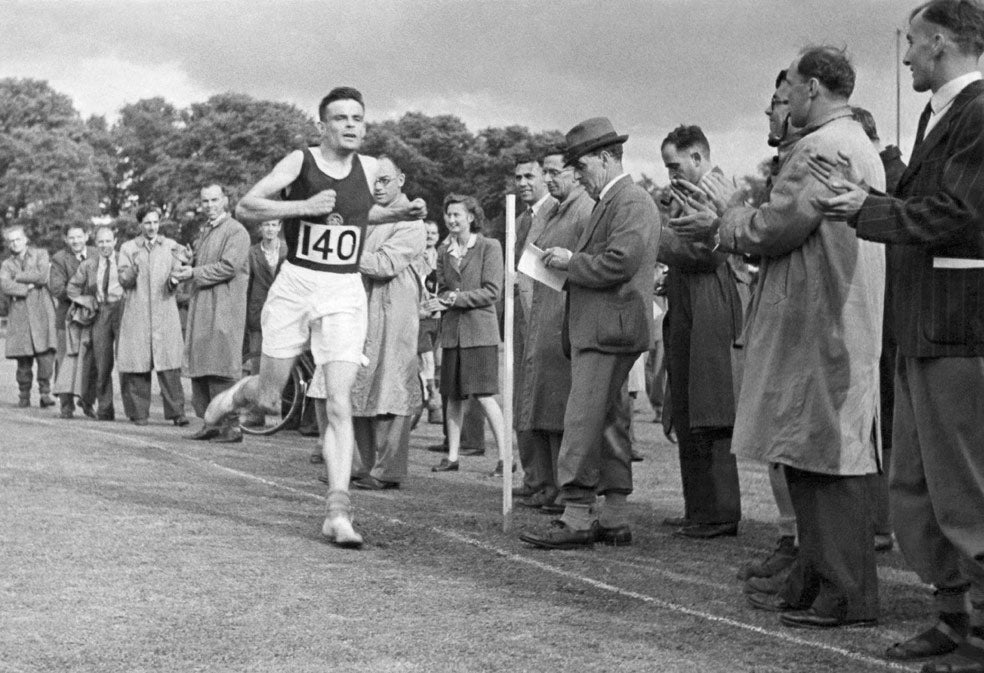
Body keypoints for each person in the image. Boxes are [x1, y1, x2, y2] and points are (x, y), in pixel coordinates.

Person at [671, 46, 885, 629]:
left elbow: (773, 228)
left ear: (812, 88)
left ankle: (844, 590)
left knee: (827, 460)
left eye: (788, 88)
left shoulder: (821, 146)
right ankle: (815, 578)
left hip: (823, 324)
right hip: (829, 319)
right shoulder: (851, 143)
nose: (782, 99)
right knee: (809, 455)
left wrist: (728, 215)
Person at [812, 1, 984, 667]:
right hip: (920, 327)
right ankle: (949, 615)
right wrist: (872, 198)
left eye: (912, 42)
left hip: (959, 328)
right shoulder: (938, 111)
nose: (906, 53)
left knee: (965, 488)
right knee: (915, 485)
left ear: (940, 41)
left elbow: (962, 213)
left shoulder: (976, 111)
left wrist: (872, 208)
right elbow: (926, 204)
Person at [202, 86, 426, 548]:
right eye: (341, 118)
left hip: (343, 289)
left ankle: (337, 510)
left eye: (358, 118)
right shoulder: (299, 161)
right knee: (269, 399)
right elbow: (246, 205)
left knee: (339, 400)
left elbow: (355, 218)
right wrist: (302, 206)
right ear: (322, 125)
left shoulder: (369, 168)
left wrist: (397, 213)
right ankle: (238, 394)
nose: (351, 125)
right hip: (296, 285)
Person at [519, 117, 660, 550]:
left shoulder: (629, 201)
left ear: (604, 158)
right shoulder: (615, 201)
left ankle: (577, 515)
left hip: (606, 329)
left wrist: (568, 262)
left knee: (581, 421)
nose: (577, 176)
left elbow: (620, 261)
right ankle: (614, 517)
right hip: (609, 327)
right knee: (611, 422)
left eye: (580, 167)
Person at [309, 156, 425, 489]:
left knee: (392, 391)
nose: (378, 187)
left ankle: (388, 471)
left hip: (393, 315)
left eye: (385, 180)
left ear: (401, 179)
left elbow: (384, 264)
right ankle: (358, 464)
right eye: (373, 180)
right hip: (359, 310)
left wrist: (343, 249)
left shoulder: (411, 221)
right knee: (355, 388)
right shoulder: (366, 215)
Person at [657, 125, 743, 540]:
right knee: (689, 406)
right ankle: (699, 509)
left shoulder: (720, 193)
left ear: (697, 157)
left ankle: (722, 511)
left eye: (675, 165)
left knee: (713, 407)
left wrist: (654, 240)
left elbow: (708, 254)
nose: (671, 175)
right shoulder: (686, 195)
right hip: (686, 299)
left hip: (710, 302)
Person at [735, 69, 801, 588]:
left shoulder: (812, 157)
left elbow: (771, 231)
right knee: (777, 442)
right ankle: (792, 537)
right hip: (775, 311)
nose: (770, 113)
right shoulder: (787, 160)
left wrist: (729, 214)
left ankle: (801, 543)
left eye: (778, 101)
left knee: (791, 440)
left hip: (801, 322)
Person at [514, 148, 593, 511]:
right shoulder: (553, 210)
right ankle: (545, 483)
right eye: (544, 172)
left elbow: (586, 261)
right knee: (541, 402)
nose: (547, 179)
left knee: (560, 404)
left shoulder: (585, 209)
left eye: (553, 172)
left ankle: (567, 487)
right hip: (542, 315)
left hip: (564, 315)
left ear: (575, 174)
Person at [851, 105, 904, 555]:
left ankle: (882, 521)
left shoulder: (891, 178)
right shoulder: (885, 174)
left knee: (882, 418)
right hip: (879, 312)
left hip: (890, 319)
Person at [426, 194, 507, 476]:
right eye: (448, 215)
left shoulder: (490, 247)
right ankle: (452, 457)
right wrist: (446, 298)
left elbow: (492, 291)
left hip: (480, 334)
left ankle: (505, 458)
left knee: (484, 397)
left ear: (471, 218)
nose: (451, 220)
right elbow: (443, 288)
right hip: (453, 334)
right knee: (453, 397)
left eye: (457, 215)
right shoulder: (442, 251)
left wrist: (452, 300)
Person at [174, 185, 250, 442]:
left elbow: (228, 267)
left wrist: (193, 273)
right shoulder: (205, 231)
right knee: (202, 366)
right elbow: (203, 263)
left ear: (225, 201)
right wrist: (189, 259)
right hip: (203, 307)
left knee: (221, 367)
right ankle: (210, 423)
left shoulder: (236, 231)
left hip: (224, 308)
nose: (209, 205)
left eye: (214, 200)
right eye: (205, 201)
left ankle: (231, 427)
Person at [116, 205, 189, 427]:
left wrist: (175, 279)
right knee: (138, 364)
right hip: (137, 313)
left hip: (164, 312)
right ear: (140, 225)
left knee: (169, 365)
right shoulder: (128, 248)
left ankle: (177, 413)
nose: (152, 227)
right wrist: (133, 270)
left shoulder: (170, 246)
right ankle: (139, 413)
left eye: (155, 222)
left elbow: (179, 268)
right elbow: (123, 279)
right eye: (147, 223)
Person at [512, 155, 559, 498]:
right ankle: (534, 478)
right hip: (521, 320)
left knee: (545, 399)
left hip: (548, 317)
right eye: (518, 177)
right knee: (521, 398)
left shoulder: (557, 212)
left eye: (530, 176)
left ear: (545, 177)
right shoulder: (519, 219)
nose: (524, 182)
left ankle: (550, 481)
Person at [66, 225, 125, 421]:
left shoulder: (125, 260)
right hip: (101, 312)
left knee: (126, 361)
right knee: (102, 363)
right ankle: (105, 410)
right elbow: (71, 288)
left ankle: (135, 411)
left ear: (115, 242)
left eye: (108, 241)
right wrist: (86, 300)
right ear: (95, 243)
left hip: (123, 311)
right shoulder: (89, 265)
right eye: (101, 241)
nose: (105, 245)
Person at [0, 225, 57, 408]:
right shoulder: (6, 264)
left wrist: (18, 276)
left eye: (18, 239)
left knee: (45, 356)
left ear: (25, 239)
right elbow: (5, 285)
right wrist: (27, 288)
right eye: (11, 241)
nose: (15, 243)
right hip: (20, 313)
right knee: (23, 359)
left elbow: (42, 276)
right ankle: (24, 394)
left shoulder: (40, 254)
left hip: (41, 310)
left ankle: (45, 393)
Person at [48, 223, 97, 418]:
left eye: (79, 236)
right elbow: (57, 289)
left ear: (87, 235)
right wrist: (83, 296)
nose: (76, 241)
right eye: (71, 237)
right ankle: (66, 405)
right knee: (65, 360)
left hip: (93, 317)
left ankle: (87, 402)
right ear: (66, 239)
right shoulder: (60, 258)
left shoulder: (96, 253)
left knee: (91, 362)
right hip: (67, 318)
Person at [241, 219, 286, 429]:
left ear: (279, 227)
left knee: (280, 364)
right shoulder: (252, 252)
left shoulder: (289, 248)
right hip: (258, 312)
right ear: (260, 228)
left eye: (274, 225)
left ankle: (278, 412)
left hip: (283, 311)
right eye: (266, 225)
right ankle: (256, 412)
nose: (270, 229)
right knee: (257, 364)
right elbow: (247, 285)